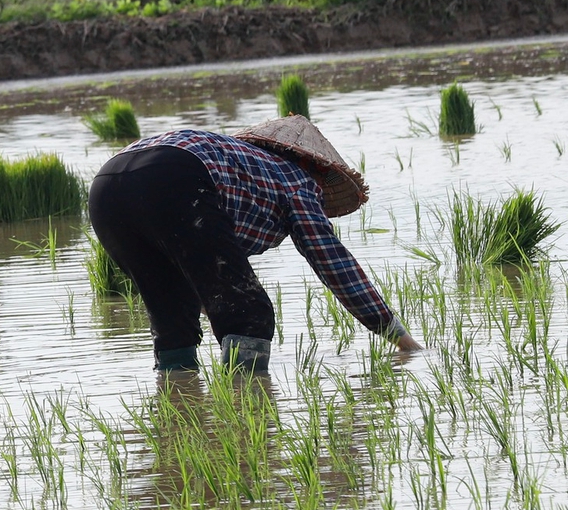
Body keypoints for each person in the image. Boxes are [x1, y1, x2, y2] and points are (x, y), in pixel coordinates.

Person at [87, 116, 422, 375]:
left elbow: (195, 264)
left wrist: (209, 299)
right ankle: (245, 410)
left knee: (173, 319)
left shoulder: (241, 163)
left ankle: (180, 410)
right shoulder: (297, 178)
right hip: (174, 175)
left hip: (105, 189)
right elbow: (332, 261)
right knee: (249, 315)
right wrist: (398, 336)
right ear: (316, 167)